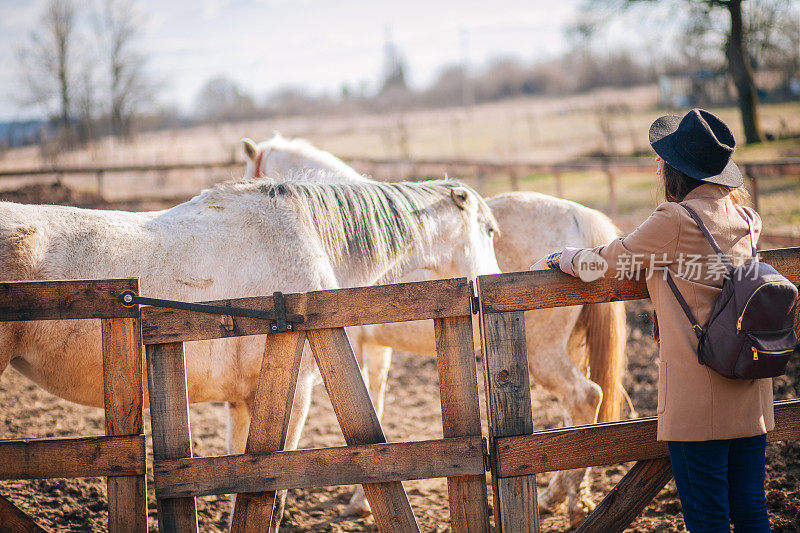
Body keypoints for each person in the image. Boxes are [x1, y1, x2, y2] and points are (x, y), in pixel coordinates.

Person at [532, 108, 772, 532]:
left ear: (676, 170)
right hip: (750, 390)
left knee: (708, 519)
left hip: (699, 399)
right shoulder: (747, 221)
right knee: (752, 513)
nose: (657, 166)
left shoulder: (675, 220)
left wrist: (557, 256)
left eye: (662, 160)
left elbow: (601, 264)